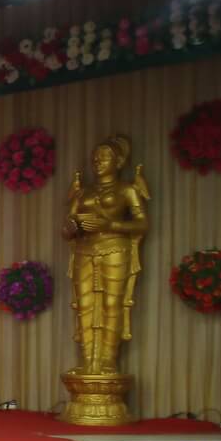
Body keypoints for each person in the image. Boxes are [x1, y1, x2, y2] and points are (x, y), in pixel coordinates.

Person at [62, 135, 150, 375]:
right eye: (96, 157)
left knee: (112, 304)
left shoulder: (127, 190)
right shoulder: (83, 193)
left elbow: (142, 223)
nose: (98, 161)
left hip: (114, 248)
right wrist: (73, 228)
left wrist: (110, 225)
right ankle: (88, 360)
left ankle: (108, 360)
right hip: (85, 250)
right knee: (85, 305)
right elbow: (67, 228)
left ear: (118, 162)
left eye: (104, 157)